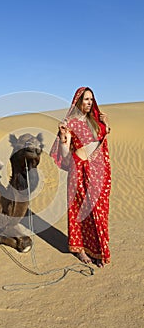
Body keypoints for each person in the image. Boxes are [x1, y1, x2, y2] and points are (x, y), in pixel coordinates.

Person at [50, 87, 111, 267]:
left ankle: (99, 249)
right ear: (78, 101)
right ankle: (81, 250)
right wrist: (62, 137)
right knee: (79, 211)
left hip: (99, 173)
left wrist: (105, 124)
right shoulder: (69, 123)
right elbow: (65, 155)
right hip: (78, 171)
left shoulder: (95, 121)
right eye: (85, 99)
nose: (89, 102)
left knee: (98, 212)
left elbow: (104, 137)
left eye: (91, 99)